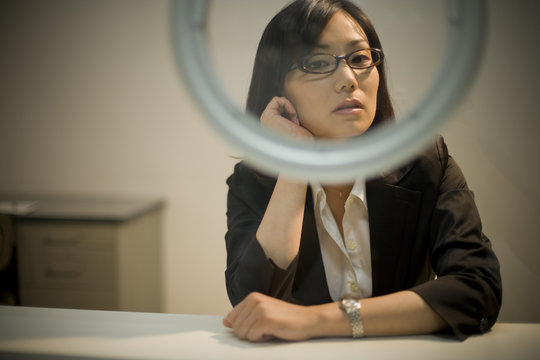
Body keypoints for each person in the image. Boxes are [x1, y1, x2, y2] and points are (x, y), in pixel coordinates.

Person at [223, 0, 502, 342]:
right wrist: (294, 162)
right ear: (278, 88)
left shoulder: (427, 163)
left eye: (359, 59)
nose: (348, 79)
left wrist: (317, 321)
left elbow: (477, 289)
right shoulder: (252, 183)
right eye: (317, 62)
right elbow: (250, 302)